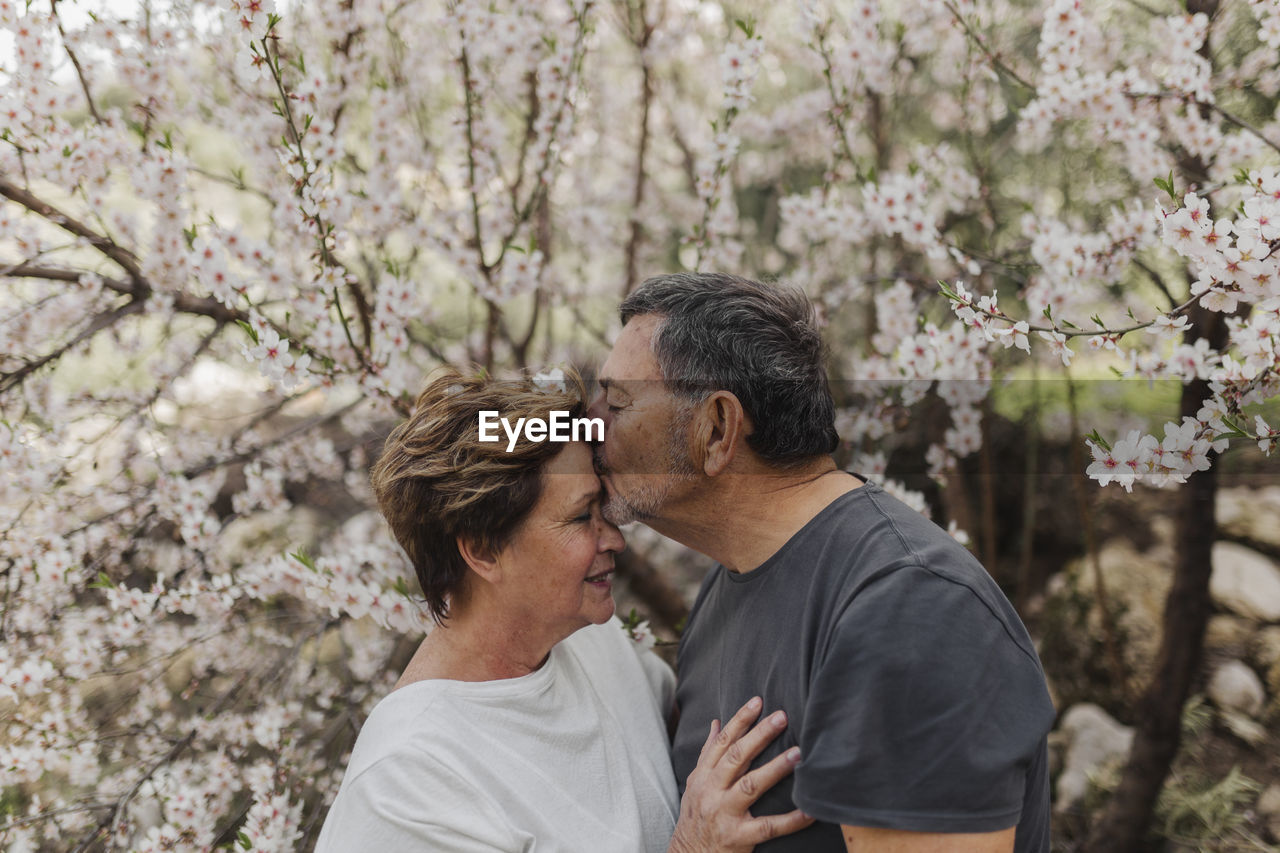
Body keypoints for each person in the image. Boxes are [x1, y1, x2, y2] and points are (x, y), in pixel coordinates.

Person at [588, 273, 1057, 853]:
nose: (586, 424)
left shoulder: (910, 610)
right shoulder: (729, 580)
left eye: (616, 402)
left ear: (715, 429)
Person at [314, 368, 813, 853]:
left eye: (603, 510)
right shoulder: (407, 785)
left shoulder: (591, 637)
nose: (614, 538)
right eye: (580, 517)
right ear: (483, 551)